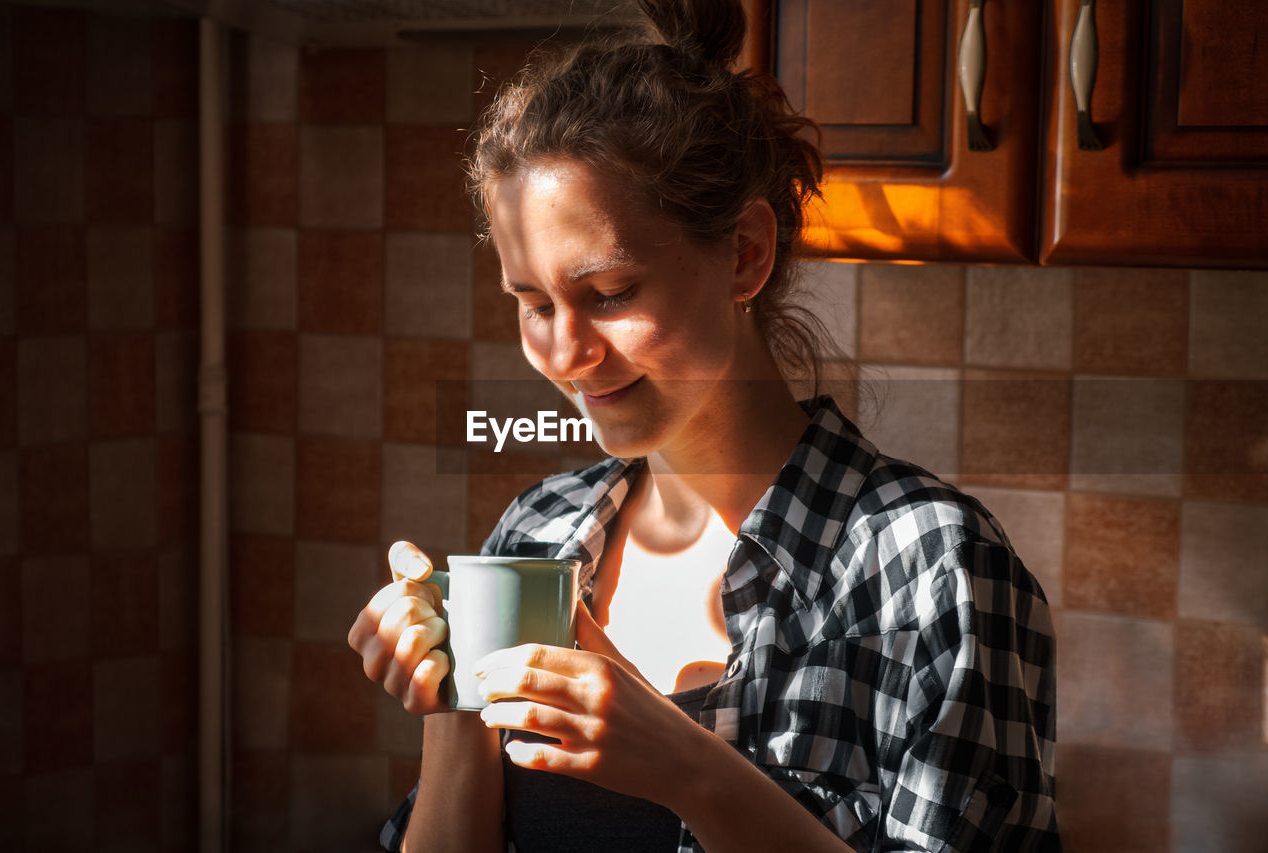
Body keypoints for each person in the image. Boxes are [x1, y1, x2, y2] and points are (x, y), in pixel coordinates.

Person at [348, 1, 1060, 850]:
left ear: (745, 254)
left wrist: (689, 769)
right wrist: (452, 712)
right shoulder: (537, 535)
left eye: (610, 294)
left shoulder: (933, 567)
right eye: (533, 303)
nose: (566, 354)